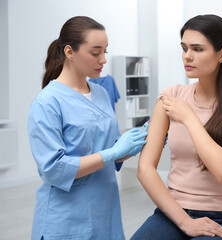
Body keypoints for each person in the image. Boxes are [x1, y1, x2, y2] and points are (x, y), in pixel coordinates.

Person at [131, 14, 222, 240]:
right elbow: (145, 169)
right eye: (184, 48)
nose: (187, 56)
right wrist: (185, 222)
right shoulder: (170, 96)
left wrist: (189, 117)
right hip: (172, 214)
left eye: (197, 49)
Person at [27, 16, 147, 240]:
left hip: (106, 209)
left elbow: (112, 150)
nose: (103, 60)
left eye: (105, 51)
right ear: (70, 52)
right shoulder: (47, 103)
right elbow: (53, 169)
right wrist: (113, 152)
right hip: (66, 218)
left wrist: (143, 138)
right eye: (95, 52)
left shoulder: (101, 93)